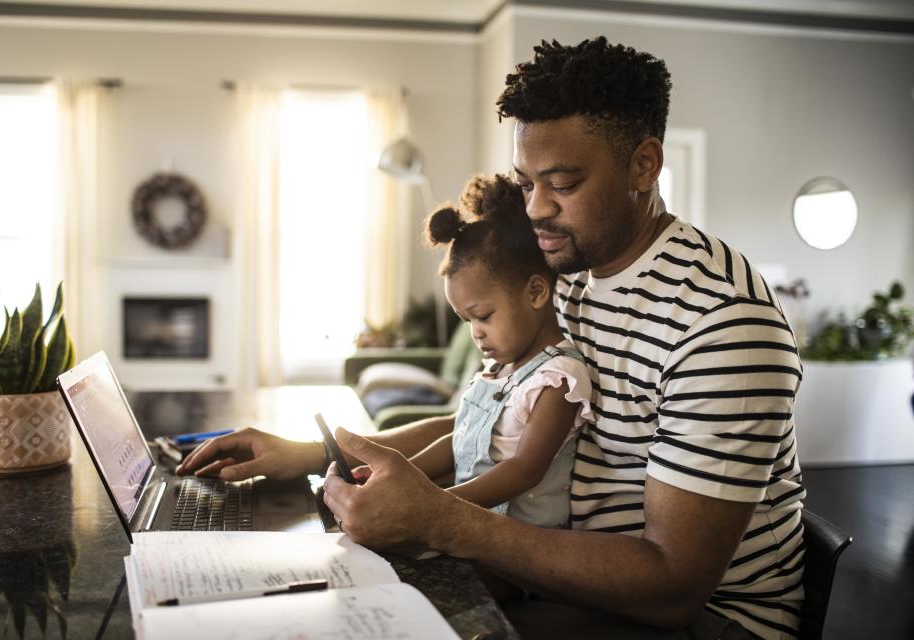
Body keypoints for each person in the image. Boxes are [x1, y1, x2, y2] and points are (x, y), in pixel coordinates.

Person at [178, 36, 804, 640]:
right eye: (528, 183)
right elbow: (495, 419)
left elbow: (672, 586)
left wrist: (441, 518)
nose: (535, 209)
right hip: (561, 578)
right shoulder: (570, 275)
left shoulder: (722, 322)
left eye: (563, 185)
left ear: (644, 164)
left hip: (703, 622)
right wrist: (318, 456)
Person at [400, 173, 593, 528]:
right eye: (466, 321)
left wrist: (432, 504)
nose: (476, 333)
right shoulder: (497, 370)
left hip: (519, 545)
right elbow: (459, 439)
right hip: (470, 526)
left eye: (483, 316)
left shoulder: (558, 378)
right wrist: (399, 475)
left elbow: (524, 470)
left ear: (536, 292)